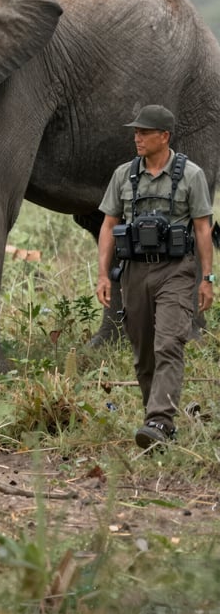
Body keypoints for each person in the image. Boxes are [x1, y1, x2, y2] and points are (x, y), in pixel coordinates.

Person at [96, 104, 214, 448]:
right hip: (134, 272)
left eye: (145, 132)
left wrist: (207, 279)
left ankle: (160, 421)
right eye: (135, 132)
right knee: (144, 351)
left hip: (176, 271)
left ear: (165, 136)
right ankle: (157, 422)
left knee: (168, 343)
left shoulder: (190, 175)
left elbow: (203, 228)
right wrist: (104, 275)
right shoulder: (124, 175)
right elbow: (108, 225)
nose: (138, 137)